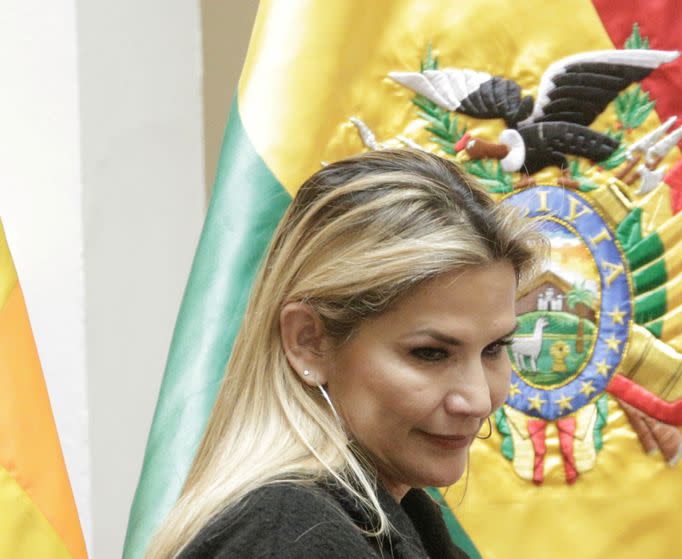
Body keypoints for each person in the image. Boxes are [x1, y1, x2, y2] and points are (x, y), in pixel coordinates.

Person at [146, 149, 545, 558]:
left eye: (495, 348)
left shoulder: (387, 522)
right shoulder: (290, 536)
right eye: (430, 353)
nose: (478, 399)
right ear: (308, 341)